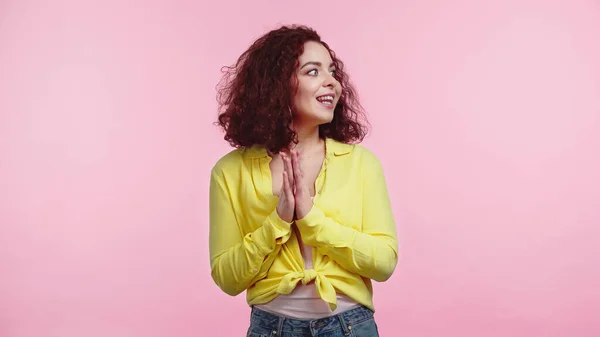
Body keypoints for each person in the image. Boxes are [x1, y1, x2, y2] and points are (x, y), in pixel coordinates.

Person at [209, 24, 398, 337]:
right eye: (313, 71)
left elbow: (384, 263)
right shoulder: (230, 172)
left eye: (332, 71)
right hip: (271, 328)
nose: (331, 83)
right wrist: (278, 221)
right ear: (277, 85)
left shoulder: (362, 164)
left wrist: (311, 219)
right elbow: (228, 279)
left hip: (350, 326)